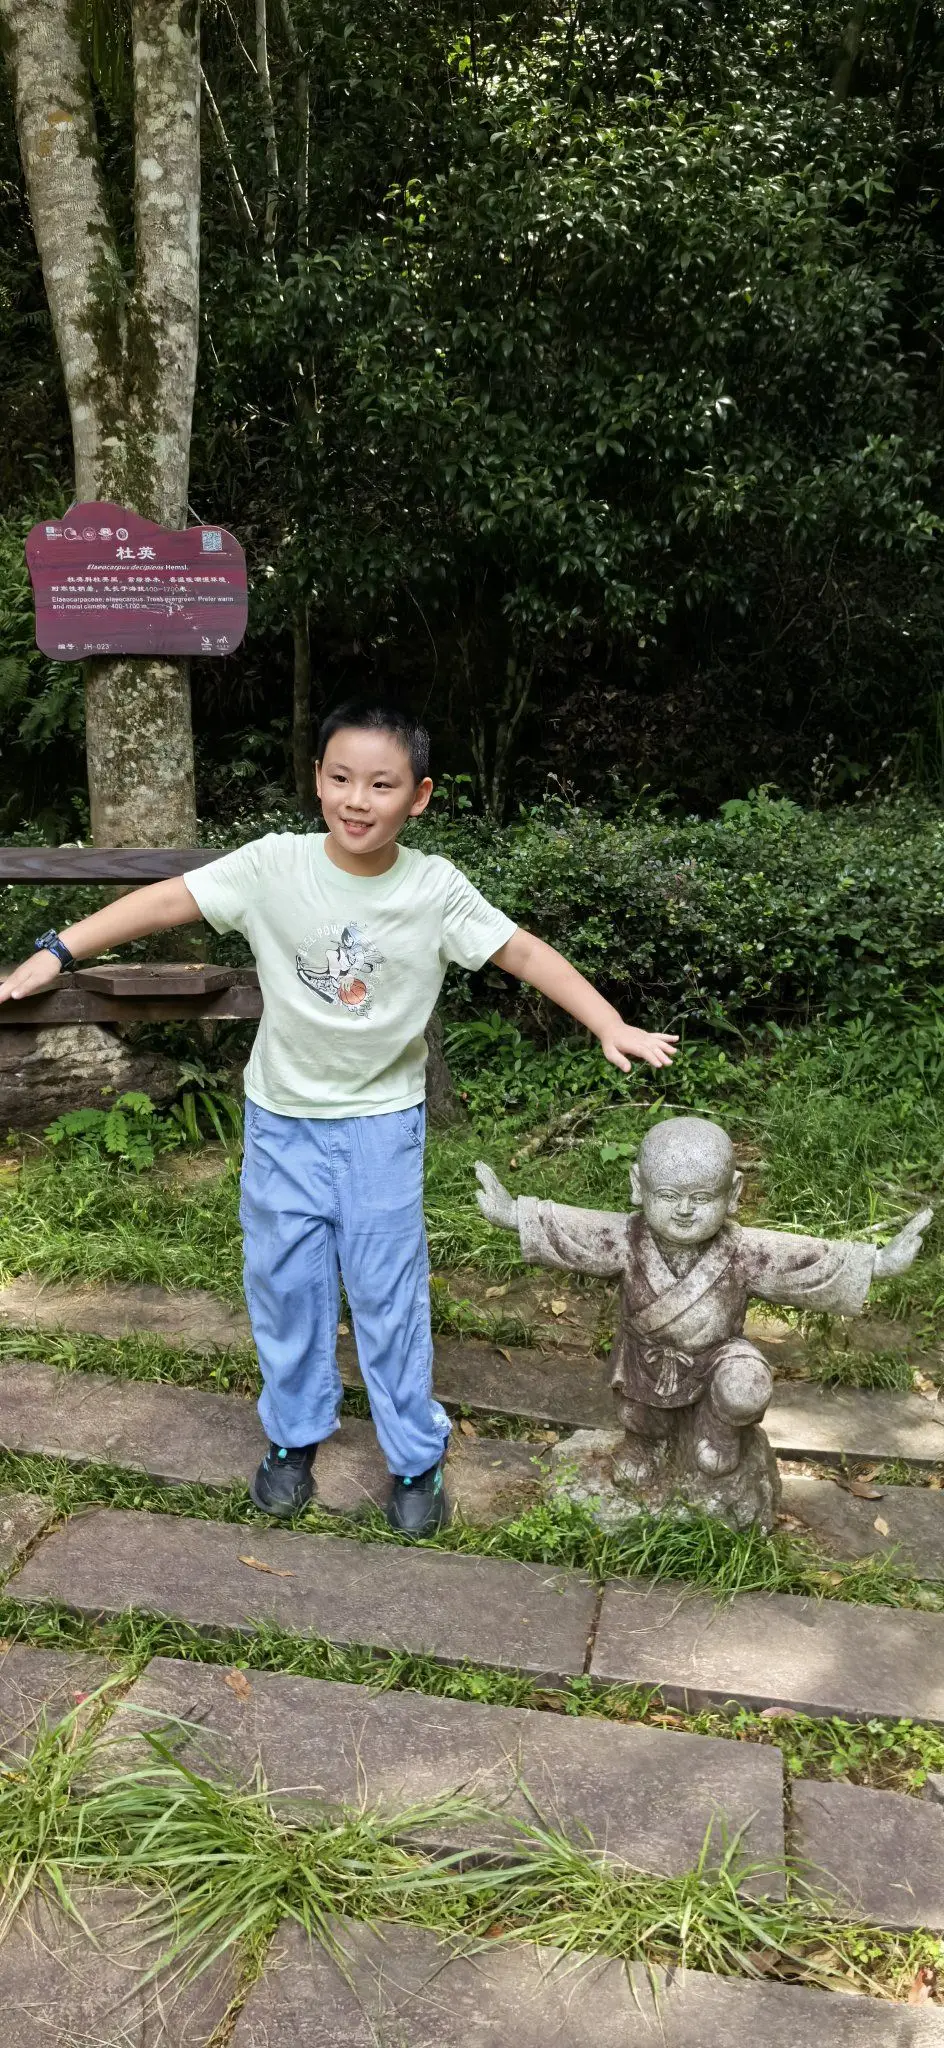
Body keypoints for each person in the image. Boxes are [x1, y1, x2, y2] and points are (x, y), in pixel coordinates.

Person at [0, 703, 678, 1536]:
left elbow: (522, 951)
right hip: (281, 1121)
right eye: (342, 778)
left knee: (388, 1295)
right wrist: (56, 951)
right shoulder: (272, 865)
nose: (358, 800)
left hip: (381, 1129)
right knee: (283, 1286)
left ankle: (415, 1453)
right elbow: (166, 901)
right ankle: (293, 1434)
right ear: (318, 779)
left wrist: (608, 1021)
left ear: (418, 797)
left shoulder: (433, 888)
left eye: (382, 785)